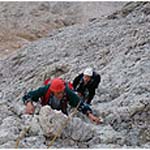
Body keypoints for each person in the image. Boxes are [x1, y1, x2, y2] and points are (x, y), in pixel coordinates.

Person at [22, 78, 102, 124]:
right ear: (52, 91)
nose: (61, 95)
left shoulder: (67, 91)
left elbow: (79, 104)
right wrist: (29, 104)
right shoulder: (46, 89)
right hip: (47, 113)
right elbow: (28, 95)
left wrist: (90, 115)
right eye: (58, 93)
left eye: (62, 92)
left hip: (62, 115)